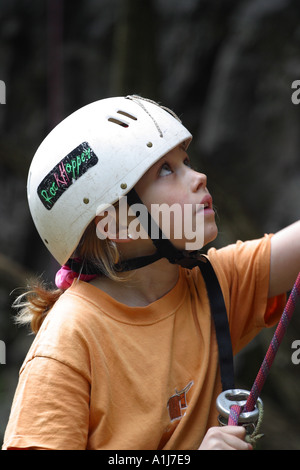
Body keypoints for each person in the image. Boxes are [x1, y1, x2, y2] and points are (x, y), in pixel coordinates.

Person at [2, 95, 299, 450]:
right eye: (166, 170)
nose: (198, 177)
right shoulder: (69, 343)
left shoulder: (210, 284)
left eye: (185, 161)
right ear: (116, 224)